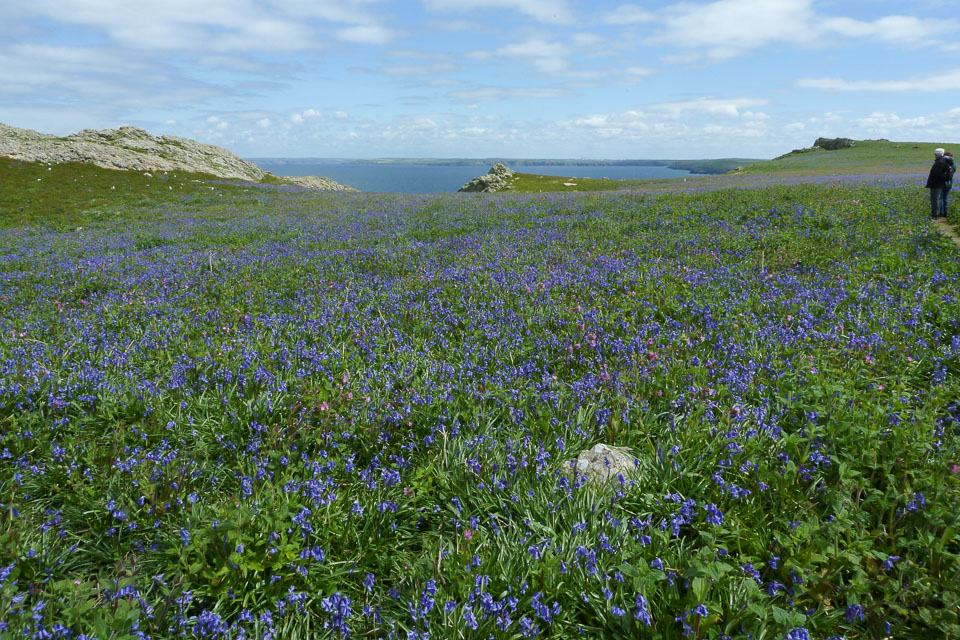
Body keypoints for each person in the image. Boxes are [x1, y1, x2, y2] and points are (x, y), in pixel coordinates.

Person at [925, 148, 951, 219]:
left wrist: (932, 181)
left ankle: (935, 214)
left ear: (937, 155)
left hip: (936, 184)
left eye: (935, 154)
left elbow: (937, 174)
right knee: (938, 198)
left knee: (935, 199)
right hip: (939, 183)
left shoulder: (939, 162)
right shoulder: (943, 161)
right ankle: (939, 213)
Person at [942, 151, 955, 216]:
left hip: (943, 182)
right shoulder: (953, 164)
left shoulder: (943, 163)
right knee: (946, 197)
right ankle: (947, 212)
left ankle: (942, 213)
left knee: (941, 197)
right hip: (950, 182)